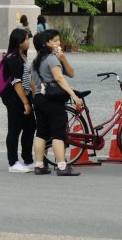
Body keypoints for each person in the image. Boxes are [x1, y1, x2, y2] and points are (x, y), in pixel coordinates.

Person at [30, 29, 82, 176]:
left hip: (39, 99)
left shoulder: (35, 61)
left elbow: (33, 84)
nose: (58, 43)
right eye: (55, 41)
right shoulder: (51, 59)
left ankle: (39, 166)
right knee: (58, 133)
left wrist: (35, 101)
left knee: (41, 133)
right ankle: (62, 166)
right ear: (47, 43)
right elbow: (59, 79)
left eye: (58, 40)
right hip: (52, 99)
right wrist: (73, 95)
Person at [1, 27, 35, 173]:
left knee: (30, 126)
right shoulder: (13, 58)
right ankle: (13, 162)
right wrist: (26, 103)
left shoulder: (22, 56)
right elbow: (17, 83)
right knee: (15, 129)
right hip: (15, 98)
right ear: (20, 42)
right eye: (27, 39)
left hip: (24, 96)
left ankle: (27, 159)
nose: (29, 41)